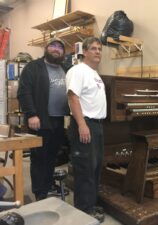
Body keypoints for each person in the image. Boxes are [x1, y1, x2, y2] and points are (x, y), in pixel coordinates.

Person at [17, 37, 70, 200]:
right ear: (46, 49)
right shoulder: (33, 67)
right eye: (53, 46)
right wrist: (31, 114)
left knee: (52, 156)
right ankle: (40, 192)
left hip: (58, 120)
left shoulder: (66, 68)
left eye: (60, 47)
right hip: (40, 120)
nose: (56, 49)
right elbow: (24, 92)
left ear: (63, 52)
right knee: (39, 157)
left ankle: (47, 185)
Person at [66, 37, 106, 223]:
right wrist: (82, 124)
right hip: (85, 124)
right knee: (84, 169)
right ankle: (83, 210)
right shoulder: (78, 71)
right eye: (94, 48)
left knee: (95, 168)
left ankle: (89, 204)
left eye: (99, 49)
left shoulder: (94, 73)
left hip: (96, 125)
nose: (98, 51)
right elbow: (73, 98)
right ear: (85, 52)